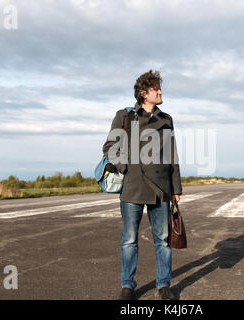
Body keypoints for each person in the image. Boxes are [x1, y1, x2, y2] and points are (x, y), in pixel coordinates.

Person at [102, 70, 182, 300]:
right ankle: (127, 285)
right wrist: (126, 167)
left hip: (161, 188)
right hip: (133, 186)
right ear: (143, 93)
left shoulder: (166, 119)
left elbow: (172, 156)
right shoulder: (125, 117)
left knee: (163, 240)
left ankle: (164, 285)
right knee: (129, 238)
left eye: (160, 88)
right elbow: (109, 147)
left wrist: (176, 189)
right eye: (156, 88)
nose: (160, 91)